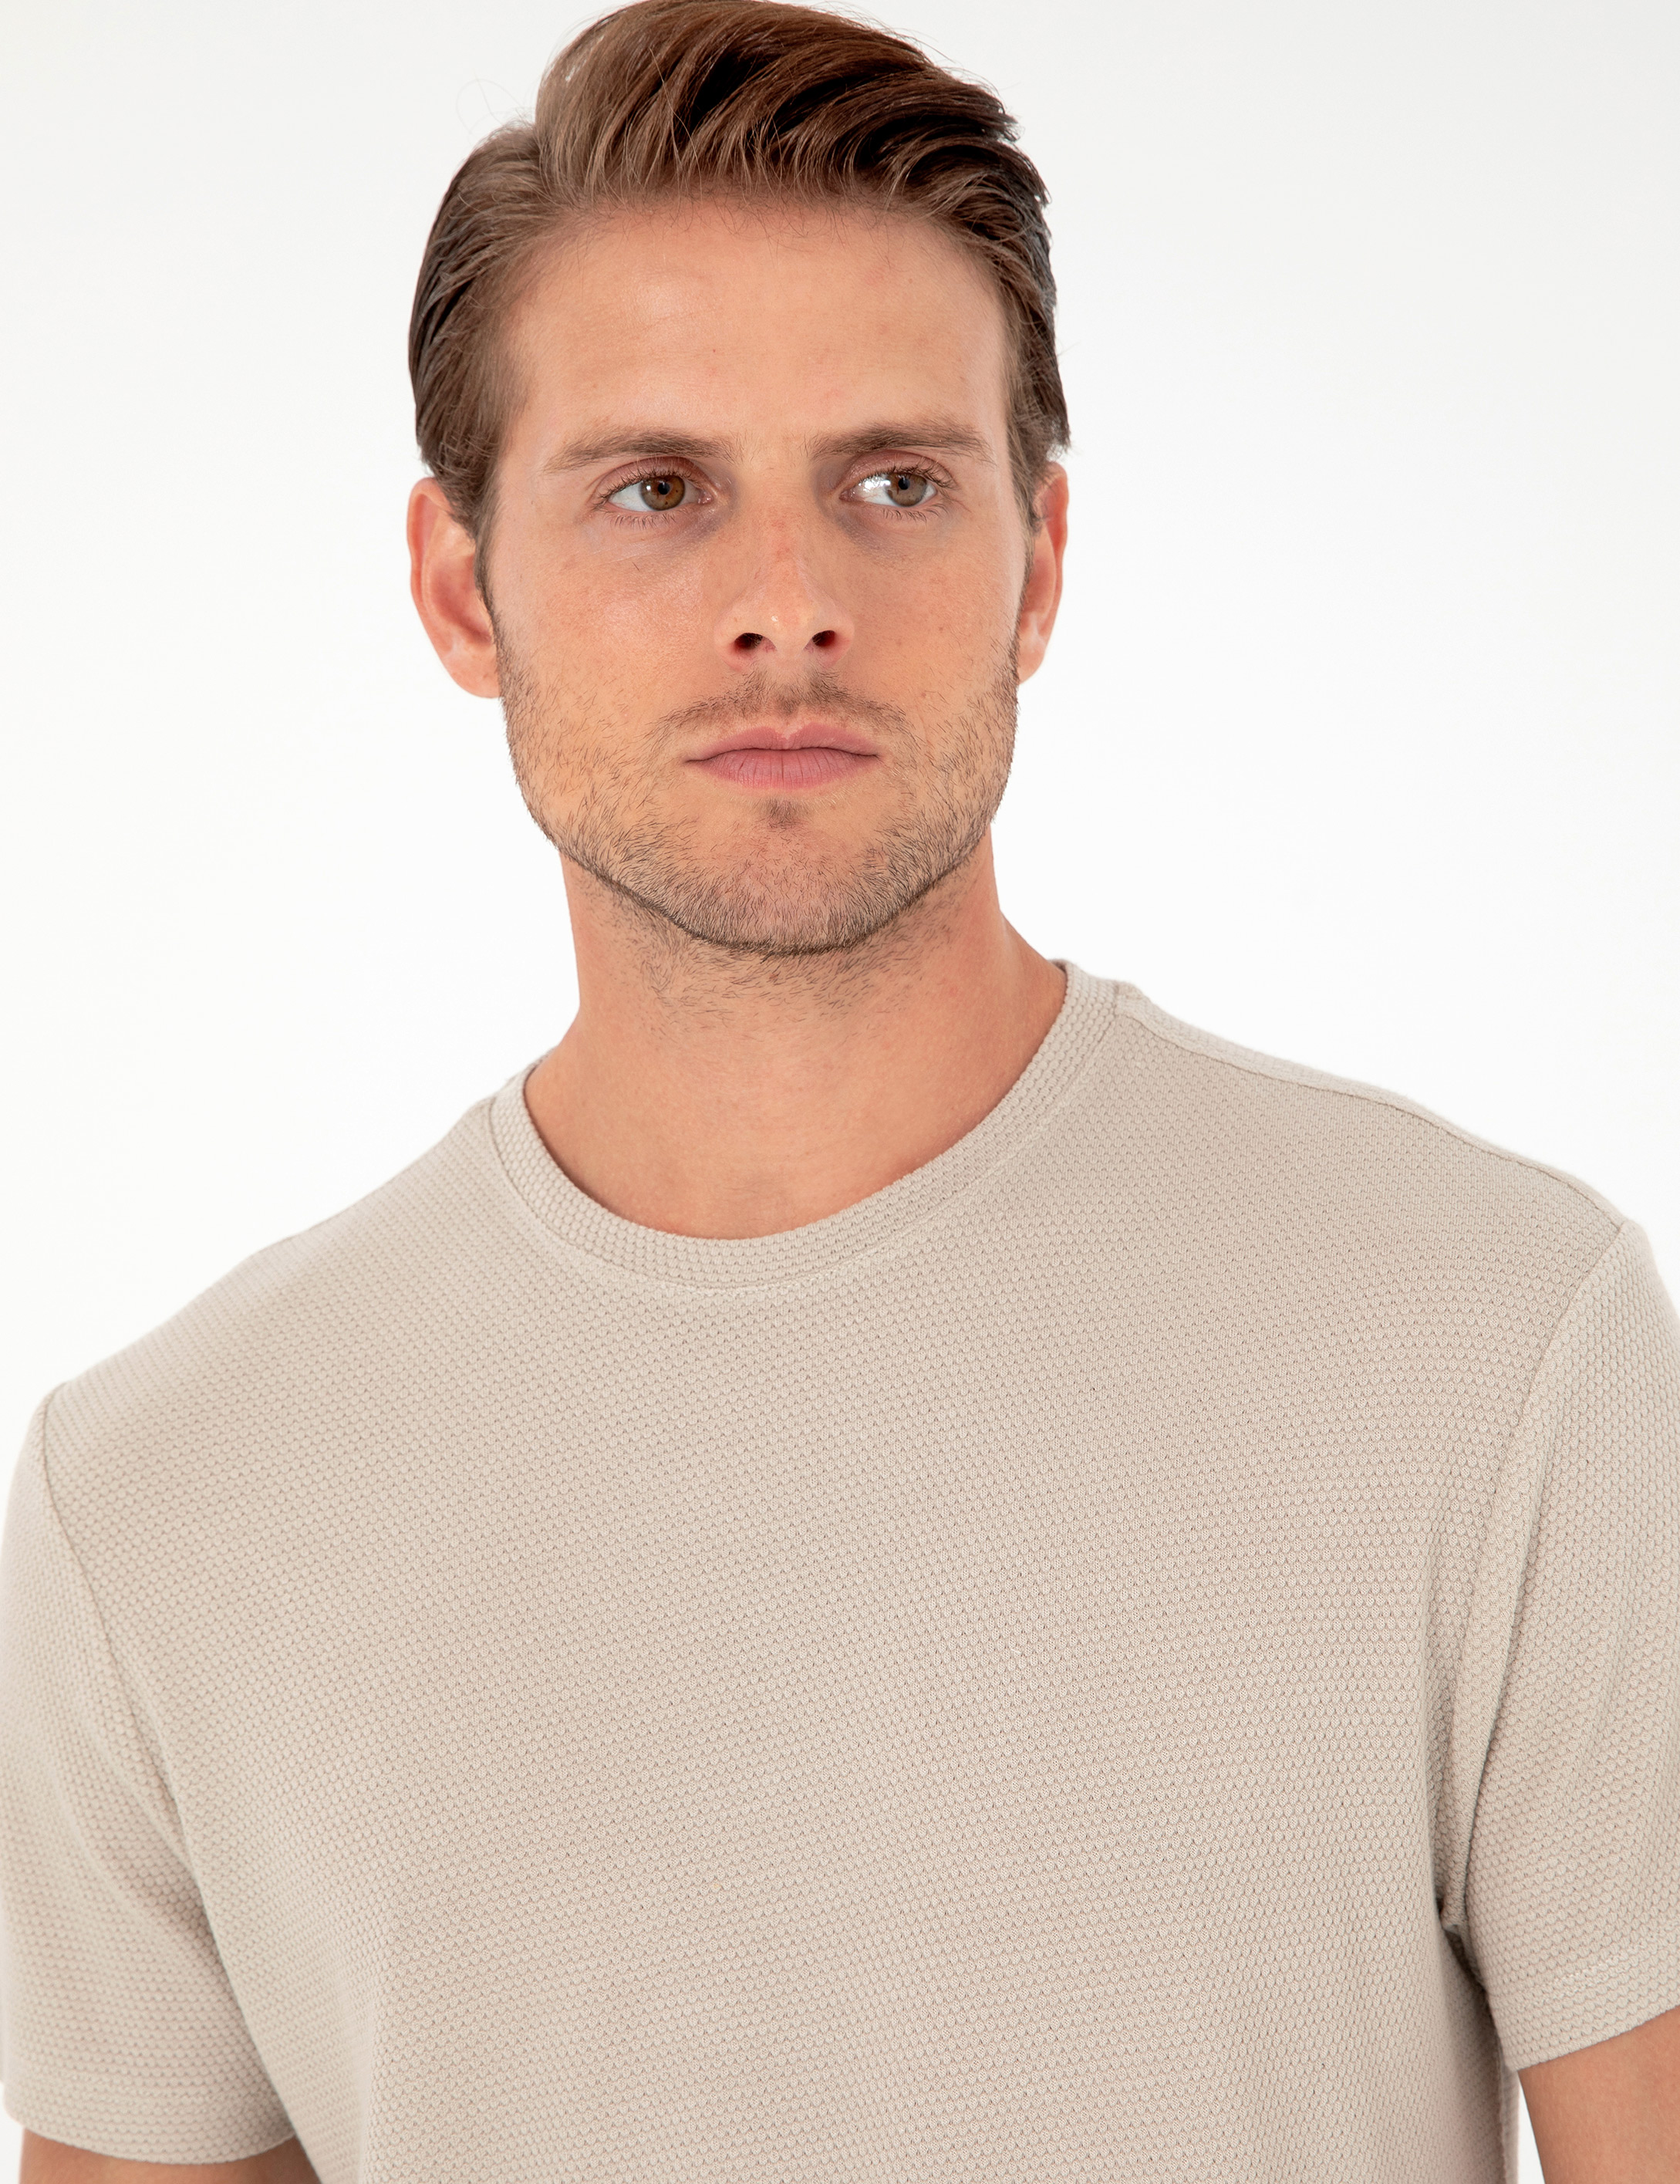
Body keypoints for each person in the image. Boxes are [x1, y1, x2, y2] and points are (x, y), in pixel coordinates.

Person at [2, 0, 1677, 2176]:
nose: (784, 607)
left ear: (1037, 565)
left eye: (894, 485)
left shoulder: (1491, 1343)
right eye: (655, 492)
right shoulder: (161, 1505)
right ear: (460, 588)